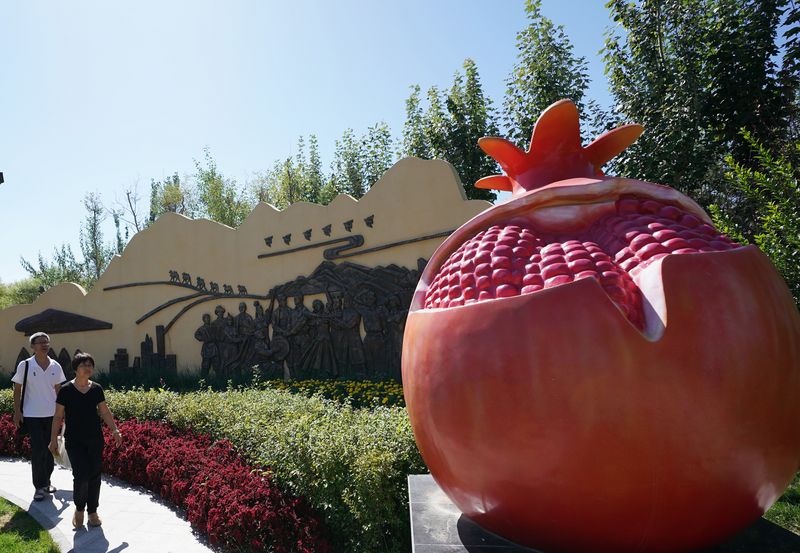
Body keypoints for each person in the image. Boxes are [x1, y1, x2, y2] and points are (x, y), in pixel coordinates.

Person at [49, 352, 123, 528]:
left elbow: (104, 411)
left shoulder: (96, 388)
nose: (88, 368)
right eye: (84, 365)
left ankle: (93, 511)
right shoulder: (66, 390)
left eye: (90, 365)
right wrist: (53, 439)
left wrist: (115, 430)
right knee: (81, 476)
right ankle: (80, 509)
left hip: (95, 439)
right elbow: (58, 416)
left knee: (95, 475)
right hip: (74, 440)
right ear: (76, 369)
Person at [12, 332, 66, 501]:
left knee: (50, 449)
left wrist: (63, 412)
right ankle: (39, 487)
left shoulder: (55, 366)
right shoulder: (25, 365)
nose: (44, 345)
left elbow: (59, 391)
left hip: (52, 416)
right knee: (38, 450)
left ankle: (46, 482)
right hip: (32, 415)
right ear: (32, 346)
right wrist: (17, 411)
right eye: (40, 342)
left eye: (47, 342)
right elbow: (17, 389)